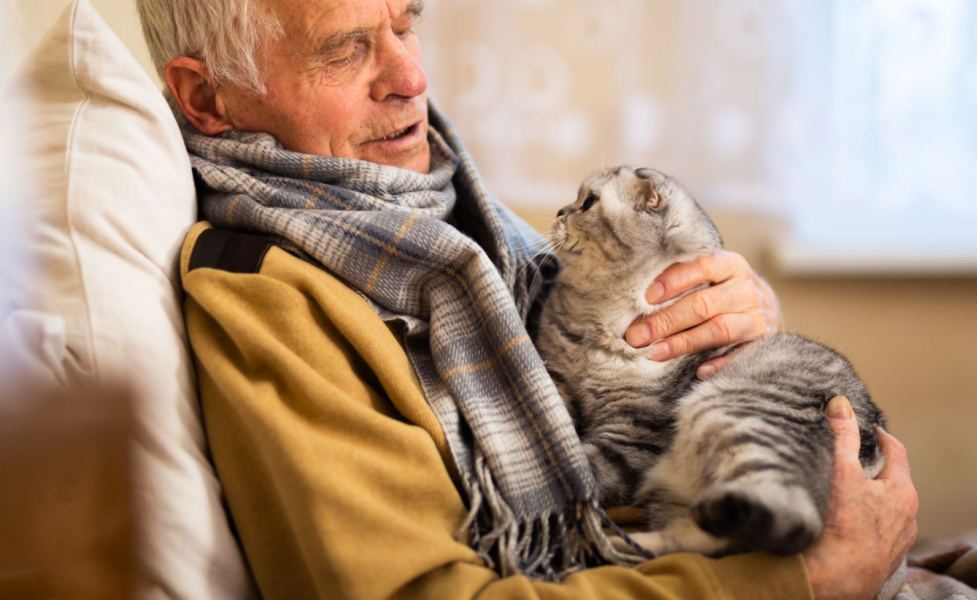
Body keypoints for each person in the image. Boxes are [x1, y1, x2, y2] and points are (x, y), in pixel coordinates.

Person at [139, 0, 919, 597]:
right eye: (345, 49)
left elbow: (609, 404)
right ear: (207, 98)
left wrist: (724, 335)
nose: (412, 77)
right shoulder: (269, 299)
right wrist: (802, 582)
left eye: (406, 23)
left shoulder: (449, 224)